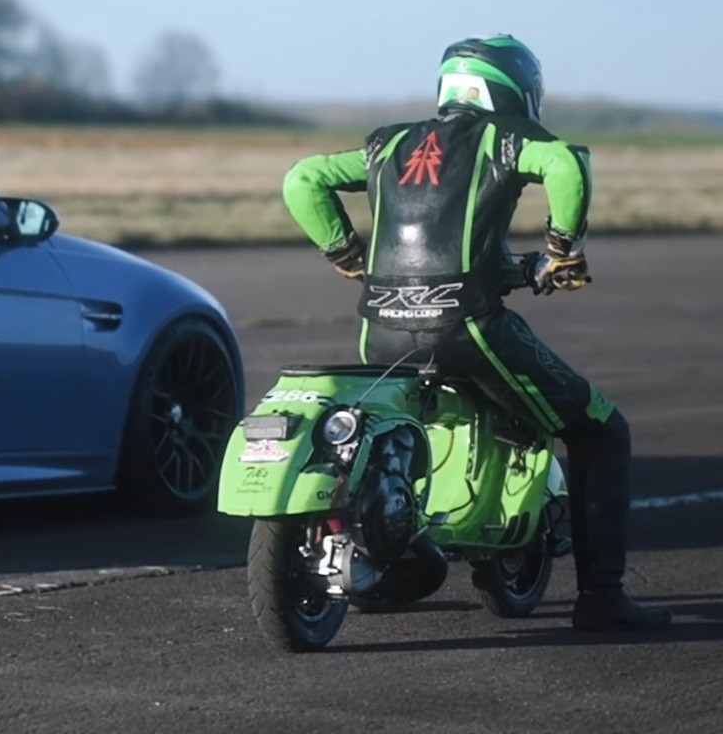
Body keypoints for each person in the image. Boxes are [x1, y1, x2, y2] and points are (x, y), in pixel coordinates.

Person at [280, 35, 670, 630]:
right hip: (466, 327)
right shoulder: (503, 138)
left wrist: (348, 254)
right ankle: (603, 600)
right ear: (517, 88)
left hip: (379, 333)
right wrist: (562, 250)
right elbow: (567, 164)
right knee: (601, 431)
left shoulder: (389, 143)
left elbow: (303, 179)